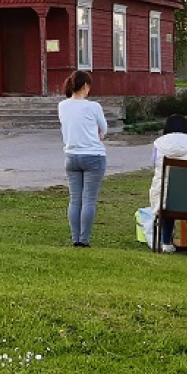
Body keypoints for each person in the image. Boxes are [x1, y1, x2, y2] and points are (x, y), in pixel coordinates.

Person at [58, 70, 107, 248]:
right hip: (93, 155)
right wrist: (98, 134)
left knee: (75, 199)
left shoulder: (62, 106)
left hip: (71, 156)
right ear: (85, 86)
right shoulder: (93, 107)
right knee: (89, 200)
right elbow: (104, 128)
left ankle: (74, 237)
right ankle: (84, 239)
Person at [148, 114, 187, 255]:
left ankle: (166, 242)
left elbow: (154, 164)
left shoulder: (159, 143)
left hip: (167, 194)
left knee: (167, 200)